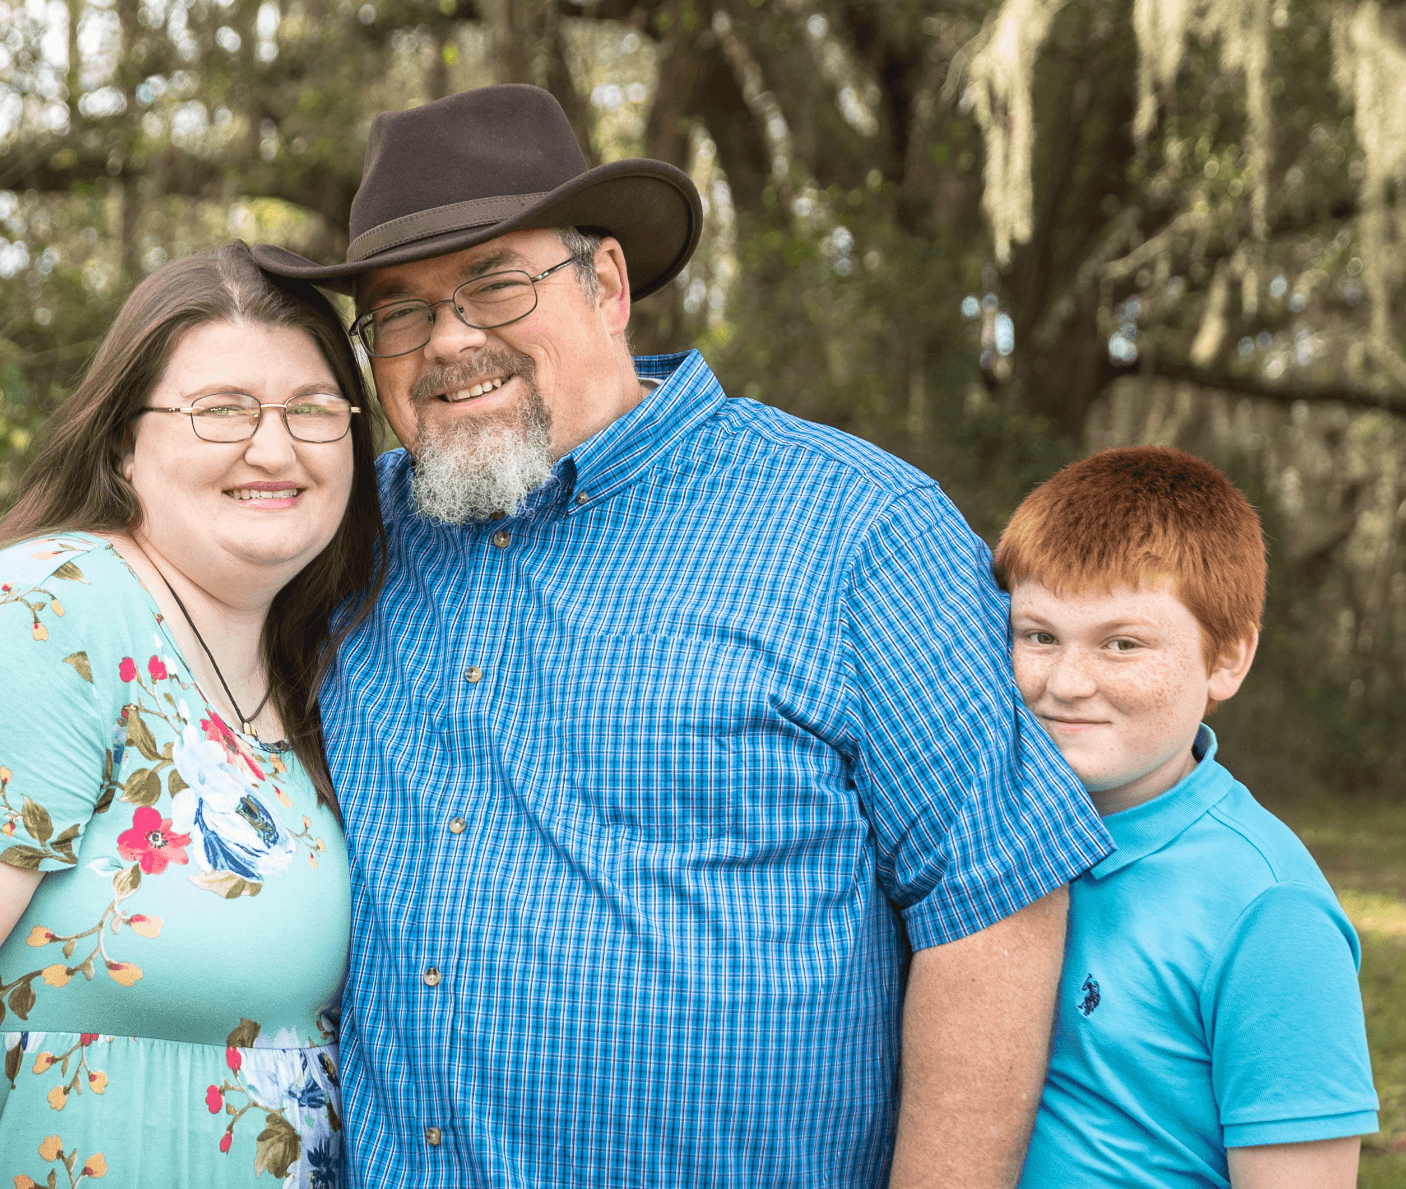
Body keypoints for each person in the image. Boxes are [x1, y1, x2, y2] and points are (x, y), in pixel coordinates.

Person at [250, 83, 1115, 1186]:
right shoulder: (337, 544)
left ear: (605, 284)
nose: (448, 340)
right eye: (399, 312)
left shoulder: (854, 527)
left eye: (493, 283)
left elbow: (993, 911)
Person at [0, 243, 384, 1189]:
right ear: (124, 447)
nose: (274, 446)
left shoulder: (306, 663)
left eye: (311, 409)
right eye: (221, 410)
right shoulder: (49, 615)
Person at [997, 446, 1376, 1188]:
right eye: (1038, 635)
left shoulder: (1269, 912)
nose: (1066, 683)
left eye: (1123, 644)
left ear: (1227, 659)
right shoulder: (987, 830)